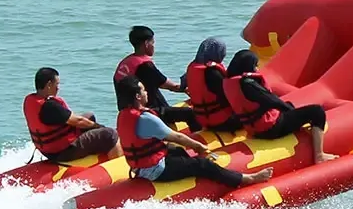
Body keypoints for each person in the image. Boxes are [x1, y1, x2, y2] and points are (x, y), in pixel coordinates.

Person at [115, 75, 273, 188]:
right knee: (203, 164)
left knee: (175, 151)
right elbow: (176, 136)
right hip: (156, 171)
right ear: (137, 96)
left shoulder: (124, 115)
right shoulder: (145, 118)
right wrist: (198, 146)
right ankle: (248, 179)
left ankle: (190, 173)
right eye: (143, 90)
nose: (146, 92)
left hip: (140, 169)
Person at [222, 50, 337, 165]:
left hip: (253, 129)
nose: (256, 69)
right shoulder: (247, 83)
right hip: (272, 128)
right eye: (255, 65)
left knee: (289, 106)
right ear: (247, 66)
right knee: (316, 112)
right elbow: (273, 101)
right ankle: (319, 155)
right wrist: (292, 111)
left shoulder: (229, 83)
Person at [23, 67, 122, 163]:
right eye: (57, 84)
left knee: (89, 116)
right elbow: (78, 121)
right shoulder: (50, 106)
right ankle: (119, 166)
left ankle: (96, 152)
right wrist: (99, 127)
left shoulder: (30, 100)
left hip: (47, 151)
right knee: (110, 134)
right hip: (63, 151)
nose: (58, 88)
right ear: (49, 84)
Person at [114, 25, 200, 131]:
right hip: (147, 112)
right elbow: (171, 86)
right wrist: (187, 89)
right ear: (146, 44)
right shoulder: (145, 66)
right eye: (152, 43)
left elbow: (156, 82)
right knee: (190, 113)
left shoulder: (125, 63)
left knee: (154, 92)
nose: (154, 46)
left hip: (126, 114)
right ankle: (199, 141)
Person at [185, 37, 242, 133]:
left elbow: (184, 84)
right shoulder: (212, 72)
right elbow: (228, 96)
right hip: (221, 120)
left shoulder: (193, 67)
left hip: (201, 119)